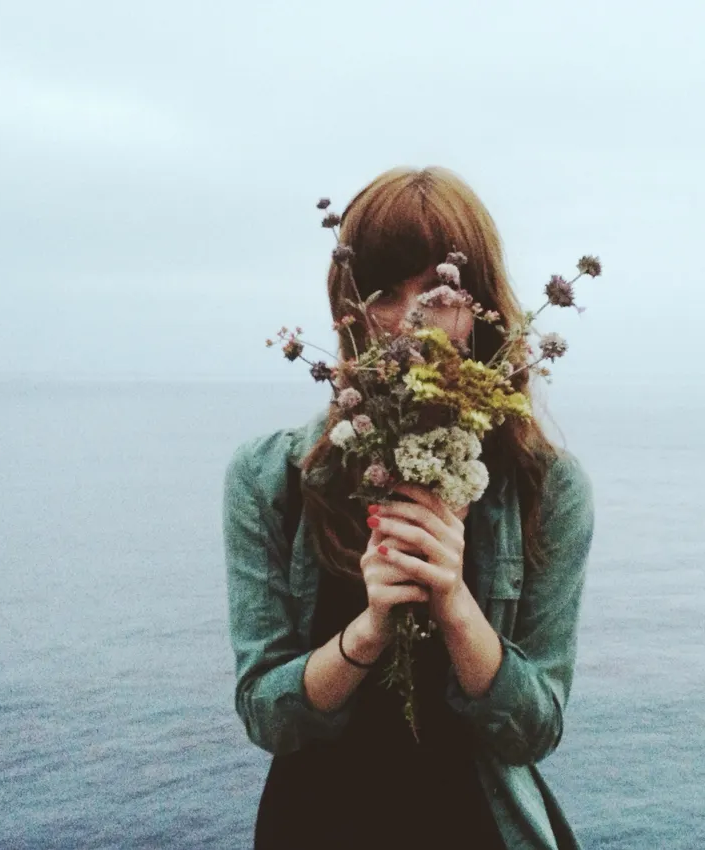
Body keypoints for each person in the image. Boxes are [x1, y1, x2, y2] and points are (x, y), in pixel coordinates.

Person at [224, 166, 595, 849]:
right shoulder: (267, 478)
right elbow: (266, 717)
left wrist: (454, 605)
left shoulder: (547, 488)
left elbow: (534, 730)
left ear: (479, 302)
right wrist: (367, 633)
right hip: (315, 825)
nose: (407, 320)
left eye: (437, 292)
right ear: (347, 306)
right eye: (383, 293)